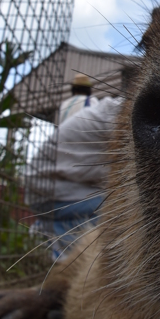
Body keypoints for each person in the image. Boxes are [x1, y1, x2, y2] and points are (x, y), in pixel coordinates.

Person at [24, 95, 121, 262]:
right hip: (50, 191)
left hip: (53, 188)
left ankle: (58, 241)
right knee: (119, 211)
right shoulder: (117, 114)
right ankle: (70, 258)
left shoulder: (104, 113)